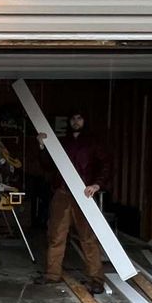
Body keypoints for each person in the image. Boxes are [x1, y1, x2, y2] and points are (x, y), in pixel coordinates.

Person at [34, 111, 112, 291]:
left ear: (85, 120)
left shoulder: (93, 143)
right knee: (56, 235)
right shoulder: (62, 142)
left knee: (88, 238)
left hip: (84, 194)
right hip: (62, 193)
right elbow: (48, 166)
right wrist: (42, 146)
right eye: (73, 118)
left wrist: (97, 185)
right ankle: (52, 274)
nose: (76, 121)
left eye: (80, 118)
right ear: (69, 121)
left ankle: (96, 280)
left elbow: (106, 165)